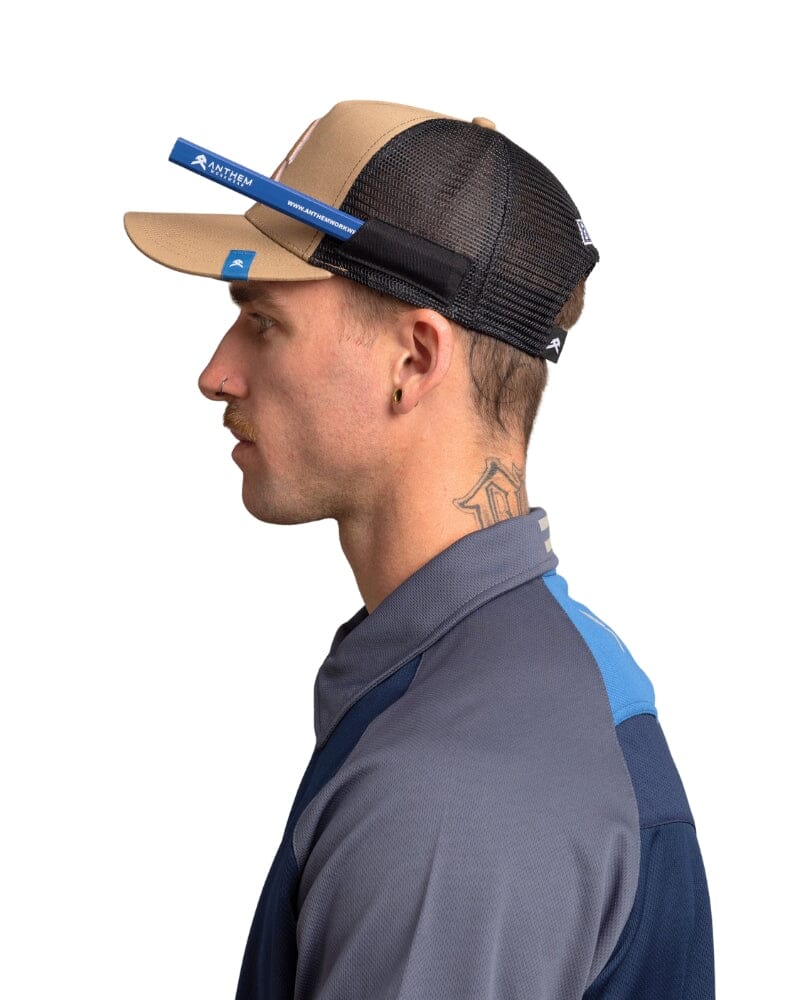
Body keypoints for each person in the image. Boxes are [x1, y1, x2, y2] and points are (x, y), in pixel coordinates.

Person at [124, 100, 714, 999]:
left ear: (413, 359)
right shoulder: (534, 672)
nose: (217, 373)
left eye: (264, 320)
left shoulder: (452, 791)